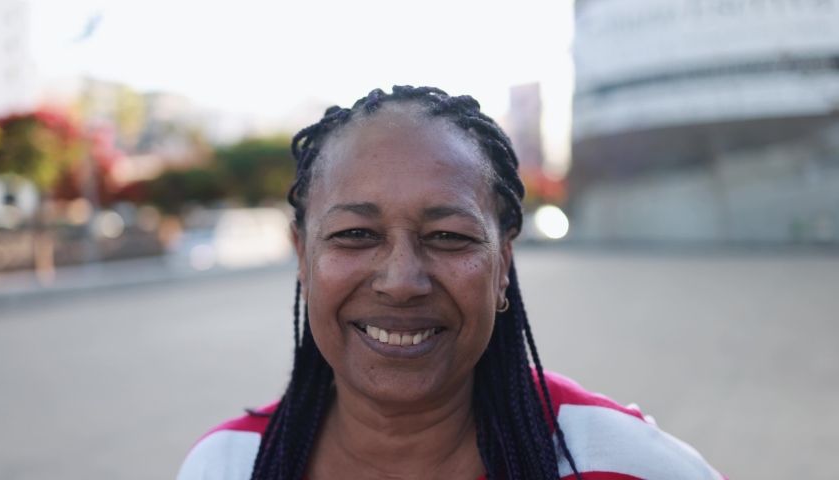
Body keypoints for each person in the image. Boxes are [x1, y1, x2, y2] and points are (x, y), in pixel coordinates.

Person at [176, 86, 726, 480]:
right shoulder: (227, 465)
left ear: (504, 261)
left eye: (448, 236)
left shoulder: (621, 463)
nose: (401, 281)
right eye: (355, 233)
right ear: (302, 254)